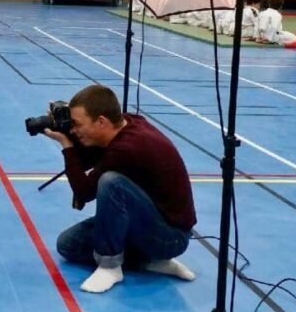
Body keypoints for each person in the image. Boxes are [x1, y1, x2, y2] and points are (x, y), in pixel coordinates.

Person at [41, 85, 197, 294]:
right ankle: (149, 261)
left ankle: (110, 267)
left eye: (77, 124)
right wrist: (68, 132)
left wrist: (66, 144)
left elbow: (84, 191)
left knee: (111, 182)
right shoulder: (127, 124)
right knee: (68, 244)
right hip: (149, 223)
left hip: (171, 238)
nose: (74, 130)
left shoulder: (128, 148)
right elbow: (87, 160)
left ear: (101, 121)